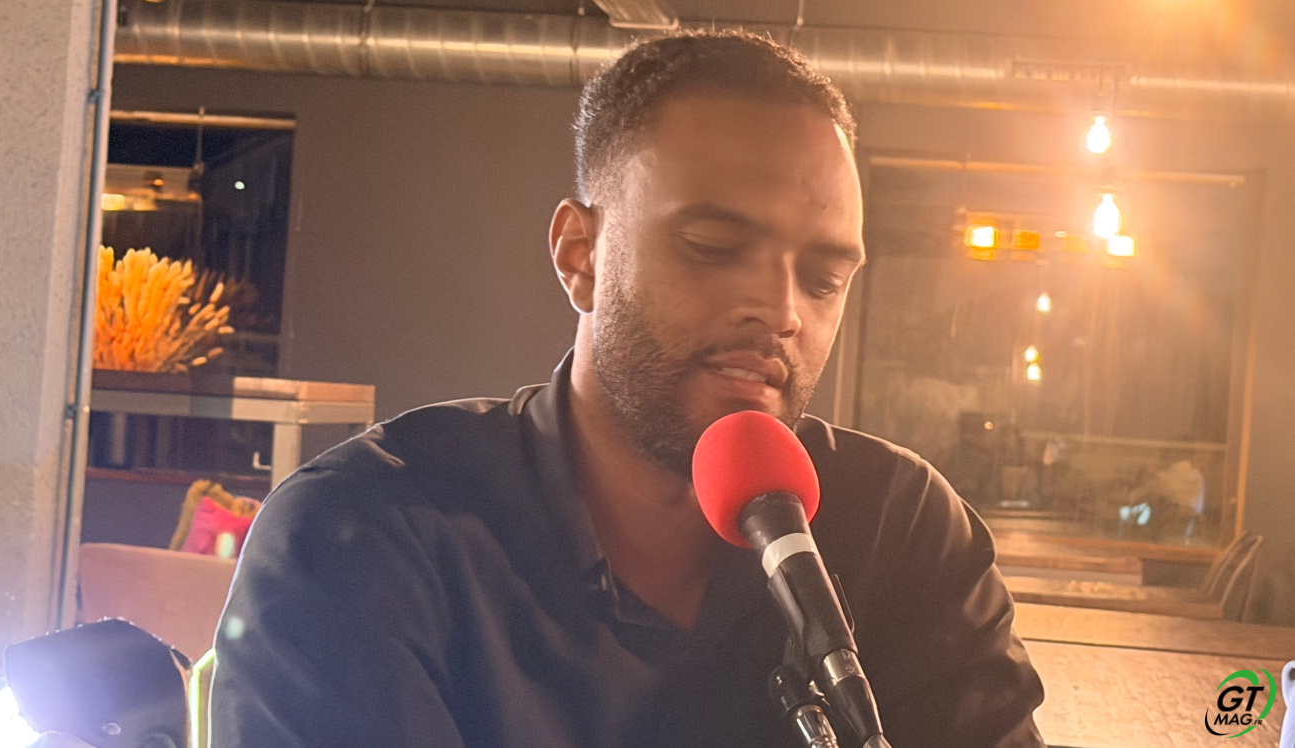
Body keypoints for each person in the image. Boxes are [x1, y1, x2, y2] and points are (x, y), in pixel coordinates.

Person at [209, 31, 1046, 748]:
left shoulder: (903, 532)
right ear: (580, 256)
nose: (782, 312)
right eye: (713, 246)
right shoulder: (363, 538)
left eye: (824, 279)